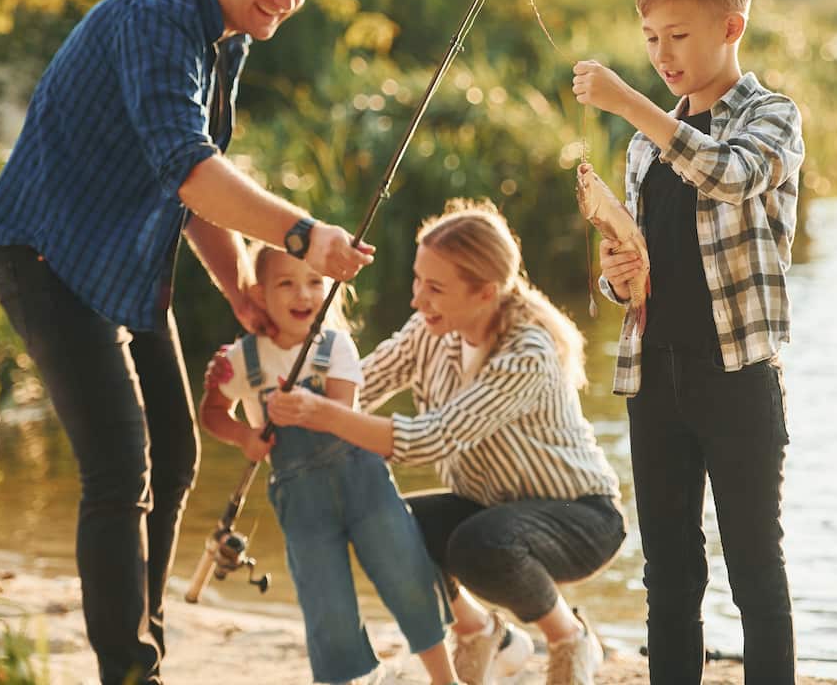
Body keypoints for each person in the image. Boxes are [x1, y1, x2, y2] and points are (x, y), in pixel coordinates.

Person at [0, 0, 374, 685]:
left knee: (179, 453)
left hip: (125, 261)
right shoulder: (157, 16)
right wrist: (303, 237)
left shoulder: (226, 35)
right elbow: (189, 165)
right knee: (120, 470)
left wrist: (237, 288)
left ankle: (143, 647)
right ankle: (130, 671)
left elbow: (193, 189)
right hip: (48, 258)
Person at [570, 0, 805, 684]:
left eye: (677, 35)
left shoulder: (770, 118)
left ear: (730, 28)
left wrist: (632, 102)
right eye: (649, 39)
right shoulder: (646, 145)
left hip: (736, 376)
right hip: (655, 376)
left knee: (754, 573)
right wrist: (617, 270)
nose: (662, 55)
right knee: (670, 576)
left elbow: (729, 177)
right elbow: (641, 264)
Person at [266, 199, 625, 685]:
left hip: (579, 517)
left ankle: (568, 637)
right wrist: (289, 400)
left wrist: (324, 415)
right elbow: (358, 385)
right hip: (487, 504)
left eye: (434, 288)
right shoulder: (430, 330)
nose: (418, 299)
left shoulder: (528, 353)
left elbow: (430, 438)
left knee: (482, 543)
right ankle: (484, 634)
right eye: (418, 280)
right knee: (383, 524)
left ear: (485, 294)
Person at [200, 244, 455, 685]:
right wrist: (244, 436)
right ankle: (350, 677)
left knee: (405, 573)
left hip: (363, 482)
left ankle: (443, 677)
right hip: (301, 499)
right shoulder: (242, 358)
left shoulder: (336, 345)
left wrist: (302, 407)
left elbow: (342, 411)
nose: (304, 294)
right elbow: (212, 412)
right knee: (325, 603)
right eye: (287, 284)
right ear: (259, 295)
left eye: (315, 282)